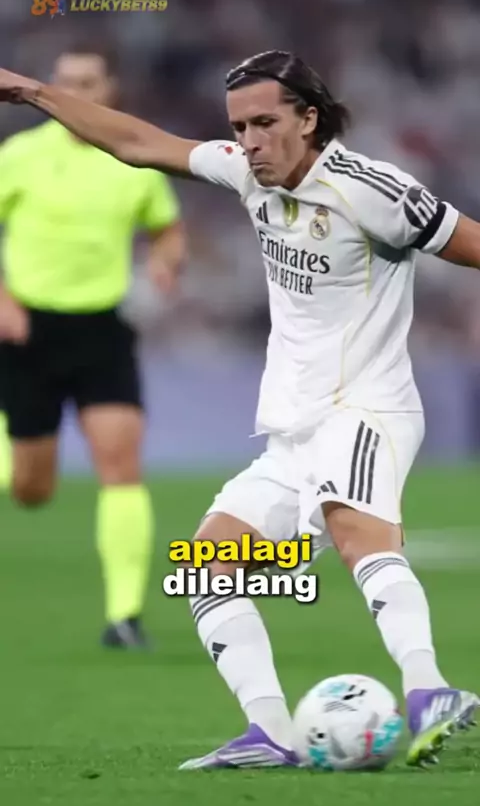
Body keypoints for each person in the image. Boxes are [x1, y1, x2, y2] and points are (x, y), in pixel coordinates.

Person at [0, 49, 477, 768]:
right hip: (293, 429)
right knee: (208, 570)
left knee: (358, 537)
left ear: (308, 119)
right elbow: (137, 142)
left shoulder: (372, 189)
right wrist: (33, 93)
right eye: (239, 127)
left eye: (264, 124)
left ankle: (429, 691)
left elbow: (472, 243)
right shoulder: (244, 173)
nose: (249, 142)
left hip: (366, 409)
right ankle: (273, 733)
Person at [0, 43, 188, 649]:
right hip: (28, 329)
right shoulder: (20, 156)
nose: (73, 92)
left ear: (110, 91)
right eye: (64, 81)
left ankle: (124, 617)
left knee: (121, 464)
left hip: (102, 330)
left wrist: (166, 259)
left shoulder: (134, 157)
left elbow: (166, 226)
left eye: (87, 82)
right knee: (32, 489)